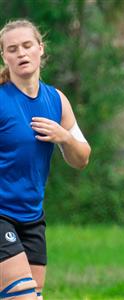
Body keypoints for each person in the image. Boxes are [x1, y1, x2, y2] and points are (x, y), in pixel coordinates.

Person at [0, 19, 91, 299]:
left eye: (27, 46)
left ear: (41, 49)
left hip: (32, 216)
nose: (21, 53)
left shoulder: (57, 100)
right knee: (23, 295)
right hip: (1, 214)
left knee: (33, 294)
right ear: (4, 56)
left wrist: (64, 137)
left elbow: (82, 158)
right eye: (12, 49)